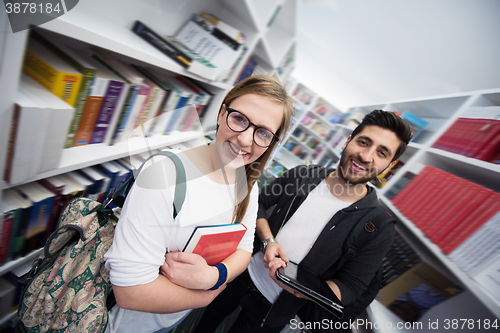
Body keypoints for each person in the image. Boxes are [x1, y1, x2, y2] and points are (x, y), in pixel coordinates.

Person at [103, 74, 293, 333]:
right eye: (239, 119)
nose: (246, 140)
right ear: (221, 112)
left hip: (167, 321)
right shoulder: (165, 175)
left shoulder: (248, 186)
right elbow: (130, 292)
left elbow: (245, 249)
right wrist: (207, 295)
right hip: (115, 324)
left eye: (262, 133)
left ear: (272, 142)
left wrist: (215, 277)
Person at [193, 109, 413, 333]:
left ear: (390, 165)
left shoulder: (379, 226)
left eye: (382, 153)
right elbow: (257, 203)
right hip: (241, 272)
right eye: (364, 142)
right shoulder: (302, 175)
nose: (366, 156)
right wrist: (268, 240)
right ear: (347, 141)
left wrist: (311, 291)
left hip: (274, 308)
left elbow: (351, 286)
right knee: (206, 321)